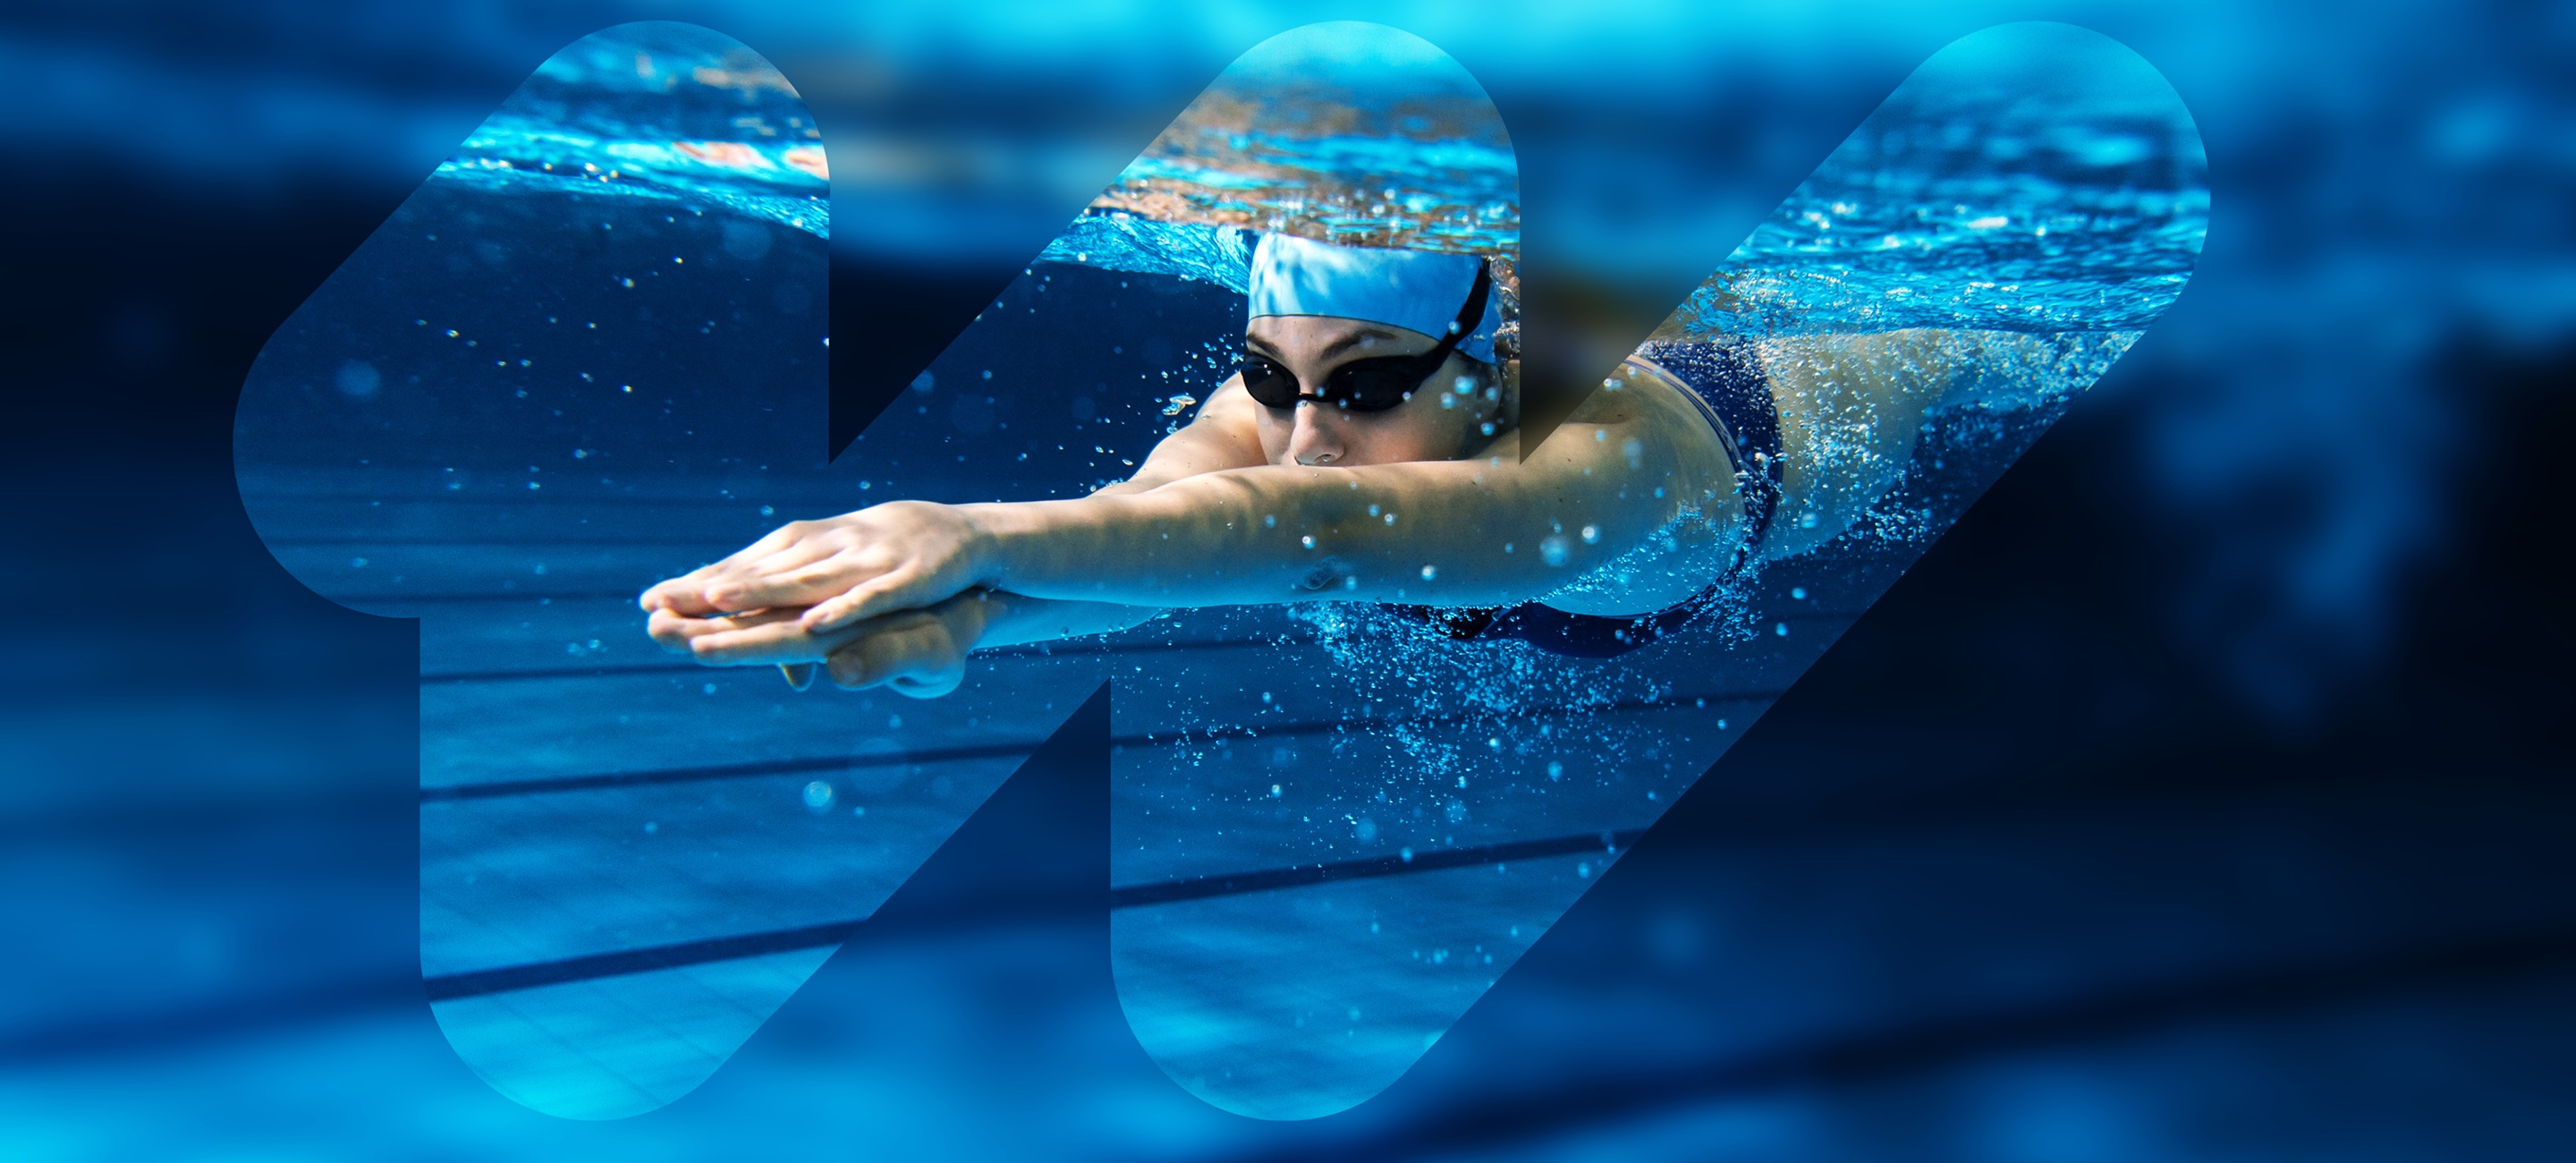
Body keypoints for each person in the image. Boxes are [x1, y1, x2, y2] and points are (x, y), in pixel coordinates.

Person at [641, 233, 1980, 695]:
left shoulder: (1607, 461)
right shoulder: (1280, 421)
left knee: (1969, 354)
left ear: (1494, 367)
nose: (1303, 438)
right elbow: (1149, 533)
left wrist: (972, 532)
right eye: (1271, 378)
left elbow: (1322, 540)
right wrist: (971, 623)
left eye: (1369, 383)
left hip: (1782, 409)